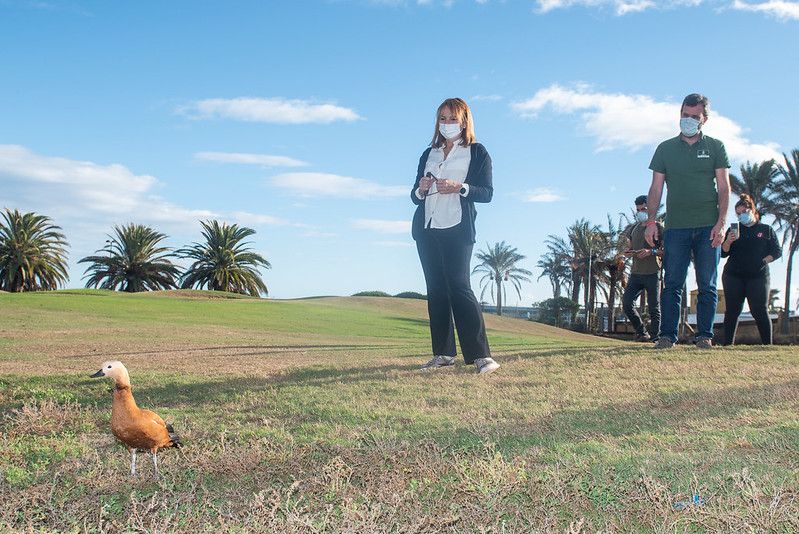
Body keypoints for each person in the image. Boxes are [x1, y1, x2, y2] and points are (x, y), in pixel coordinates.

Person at [410, 98, 499, 374]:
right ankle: (443, 354)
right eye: (442, 119)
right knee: (436, 291)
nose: (447, 124)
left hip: (458, 229)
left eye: (452, 119)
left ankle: (481, 356)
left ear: (464, 121)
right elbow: (415, 196)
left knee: (460, 287)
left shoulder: (477, 152)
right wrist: (421, 189)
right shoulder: (429, 153)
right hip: (427, 229)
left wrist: (460, 187)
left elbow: (487, 193)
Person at [645, 93, 731, 349]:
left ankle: (704, 336)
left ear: (705, 119)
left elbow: (724, 188)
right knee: (672, 283)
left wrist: (722, 223)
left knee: (707, 284)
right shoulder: (665, 149)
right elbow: (656, 188)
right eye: (685, 115)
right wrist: (651, 221)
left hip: (708, 227)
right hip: (676, 228)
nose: (688, 120)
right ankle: (666, 337)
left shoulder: (716, 147)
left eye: (694, 116)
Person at [721, 194, 782, 345]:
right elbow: (723, 253)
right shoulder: (733, 229)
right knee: (732, 311)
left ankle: (767, 344)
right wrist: (728, 240)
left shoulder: (766, 230)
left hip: (758, 276)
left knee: (759, 310)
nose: (741, 216)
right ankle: (727, 344)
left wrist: (763, 261)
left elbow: (776, 251)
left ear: (753, 211)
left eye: (744, 212)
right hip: (733, 275)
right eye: (738, 214)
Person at [620, 195, 663, 342]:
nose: (640, 212)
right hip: (636, 274)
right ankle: (642, 332)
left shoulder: (658, 227)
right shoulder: (634, 229)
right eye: (638, 210)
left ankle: (656, 337)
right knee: (626, 303)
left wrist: (651, 252)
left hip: (652, 273)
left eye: (643, 209)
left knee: (654, 308)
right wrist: (627, 252)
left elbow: (666, 251)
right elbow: (629, 247)